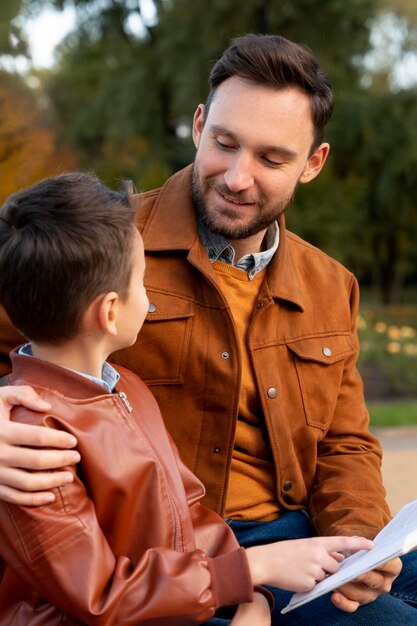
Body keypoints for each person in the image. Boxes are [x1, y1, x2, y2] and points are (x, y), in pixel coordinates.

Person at [0, 34, 416, 624]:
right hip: (177, 560)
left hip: (286, 538)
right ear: (199, 126)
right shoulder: (103, 246)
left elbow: (344, 443)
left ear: (313, 163)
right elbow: (34, 345)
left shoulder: (331, 284)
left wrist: (358, 546)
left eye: (272, 160)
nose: (238, 178)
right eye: (224, 144)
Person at [0, 172, 374, 625]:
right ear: (111, 311)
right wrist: (256, 568)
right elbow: (100, 596)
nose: (148, 294)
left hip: (180, 600)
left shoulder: (127, 388)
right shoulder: (36, 439)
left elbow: (190, 512)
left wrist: (251, 592)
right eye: (143, 282)